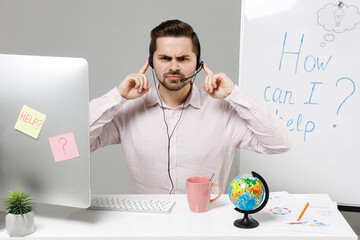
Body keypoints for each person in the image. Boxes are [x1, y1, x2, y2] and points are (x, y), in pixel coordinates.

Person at [90, 19, 291, 194]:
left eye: (183, 58)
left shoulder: (222, 112)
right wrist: (117, 96)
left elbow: (279, 144)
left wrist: (234, 94)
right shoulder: (128, 111)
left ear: (197, 64)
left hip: (206, 225)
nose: (174, 67)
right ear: (151, 62)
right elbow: (73, 145)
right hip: (149, 226)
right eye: (165, 58)